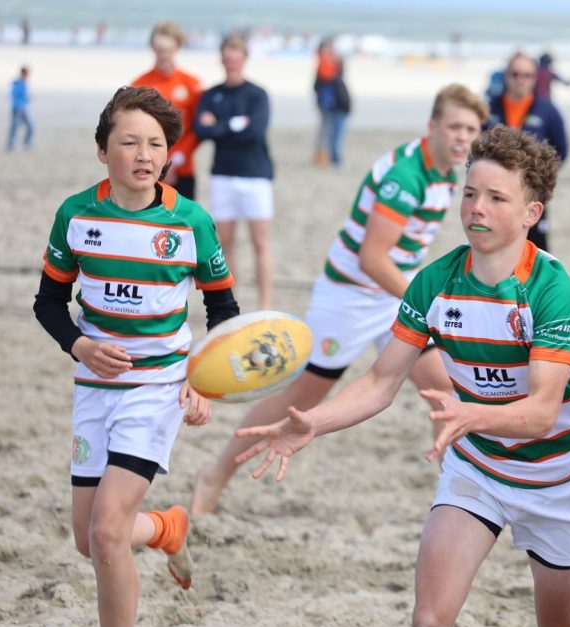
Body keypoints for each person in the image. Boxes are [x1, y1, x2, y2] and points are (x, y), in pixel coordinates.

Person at [235, 126, 570, 627]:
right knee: (430, 625)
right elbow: (381, 382)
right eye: (470, 193)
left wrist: (472, 414)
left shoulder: (553, 289)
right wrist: (315, 422)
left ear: (532, 212)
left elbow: (541, 412)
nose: (476, 208)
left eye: (496, 198)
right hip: (476, 466)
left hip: (554, 478)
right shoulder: (433, 282)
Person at [191, 84, 488, 515]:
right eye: (455, 126)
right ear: (433, 126)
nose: (463, 137)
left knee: (443, 387)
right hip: (348, 297)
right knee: (302, 400)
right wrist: (429, 306)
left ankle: (458, 499)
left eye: (471, 129)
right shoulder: (406, 176)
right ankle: (213, 476)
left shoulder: (450, 171)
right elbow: (371, 259)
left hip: (390, 297)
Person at [32, 86, 240, 627]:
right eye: (129, 142)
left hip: (158, 386)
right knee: (88, 539)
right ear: (103, 152)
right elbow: (48, 302)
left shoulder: (190, 221)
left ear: (168, 155)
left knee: (105, 530)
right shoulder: (76, 215)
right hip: (95, 386)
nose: (144, 154)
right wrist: (80, 344)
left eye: (156, 144)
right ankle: (168, 527)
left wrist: (205, 382)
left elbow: (223, 312)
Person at [194, 33, 274, 309]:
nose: (231, 64)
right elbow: (201, 129)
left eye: (236, 59)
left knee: (259, 241)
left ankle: (264, 304)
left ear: (244, 60)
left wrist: (221, 126)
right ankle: (233, 303)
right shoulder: (212, 94)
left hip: (256, 174)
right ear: (221, 59)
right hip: (223, 174)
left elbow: (255, 131)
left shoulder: (257, 94)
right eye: (227, 59)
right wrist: (234, 124)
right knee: (225, 242)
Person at [485, 52, 568, 251]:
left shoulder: (548, 111)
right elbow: (477, 146)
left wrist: (539, 180)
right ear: (506, 76)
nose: (520, 80)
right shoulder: (489, 109)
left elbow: (562, 150)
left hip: (531, 194)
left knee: (535, 249)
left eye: (527, 75)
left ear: (534, 78)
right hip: (492, 194)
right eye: (515, 74)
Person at [132, 21, 203, 199]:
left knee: (185, 224)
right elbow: (132, 128)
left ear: (177, 47)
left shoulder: (192, 84)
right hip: (148, 167)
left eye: (167, 50)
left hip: (183, 167)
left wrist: (177, 159)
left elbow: (198, 128)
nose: (163, 55)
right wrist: (158, 161)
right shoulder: (139, 84)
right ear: (153, 48)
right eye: (159, 50)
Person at [313, 37, 351, 168]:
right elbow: (327, 78)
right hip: (330, 103)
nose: (330, 51)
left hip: (334, 102)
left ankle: (324, 157)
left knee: (328, 131)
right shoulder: (324, 64)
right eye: (327, 48)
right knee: (329, 131)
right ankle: (326, 157)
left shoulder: (330, 63)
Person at [7, 65, 33, 151]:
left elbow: (23, 97)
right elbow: (14, 95)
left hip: (23, 109)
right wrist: (21, 105)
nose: (26, 76)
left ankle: (27, 144)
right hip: (17, 109)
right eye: (25, 74)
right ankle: (11, 145)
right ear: (22, 73)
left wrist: (27, 100)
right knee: (14, 127)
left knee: (31, 127)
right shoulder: (18, 83)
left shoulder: (24, 84)